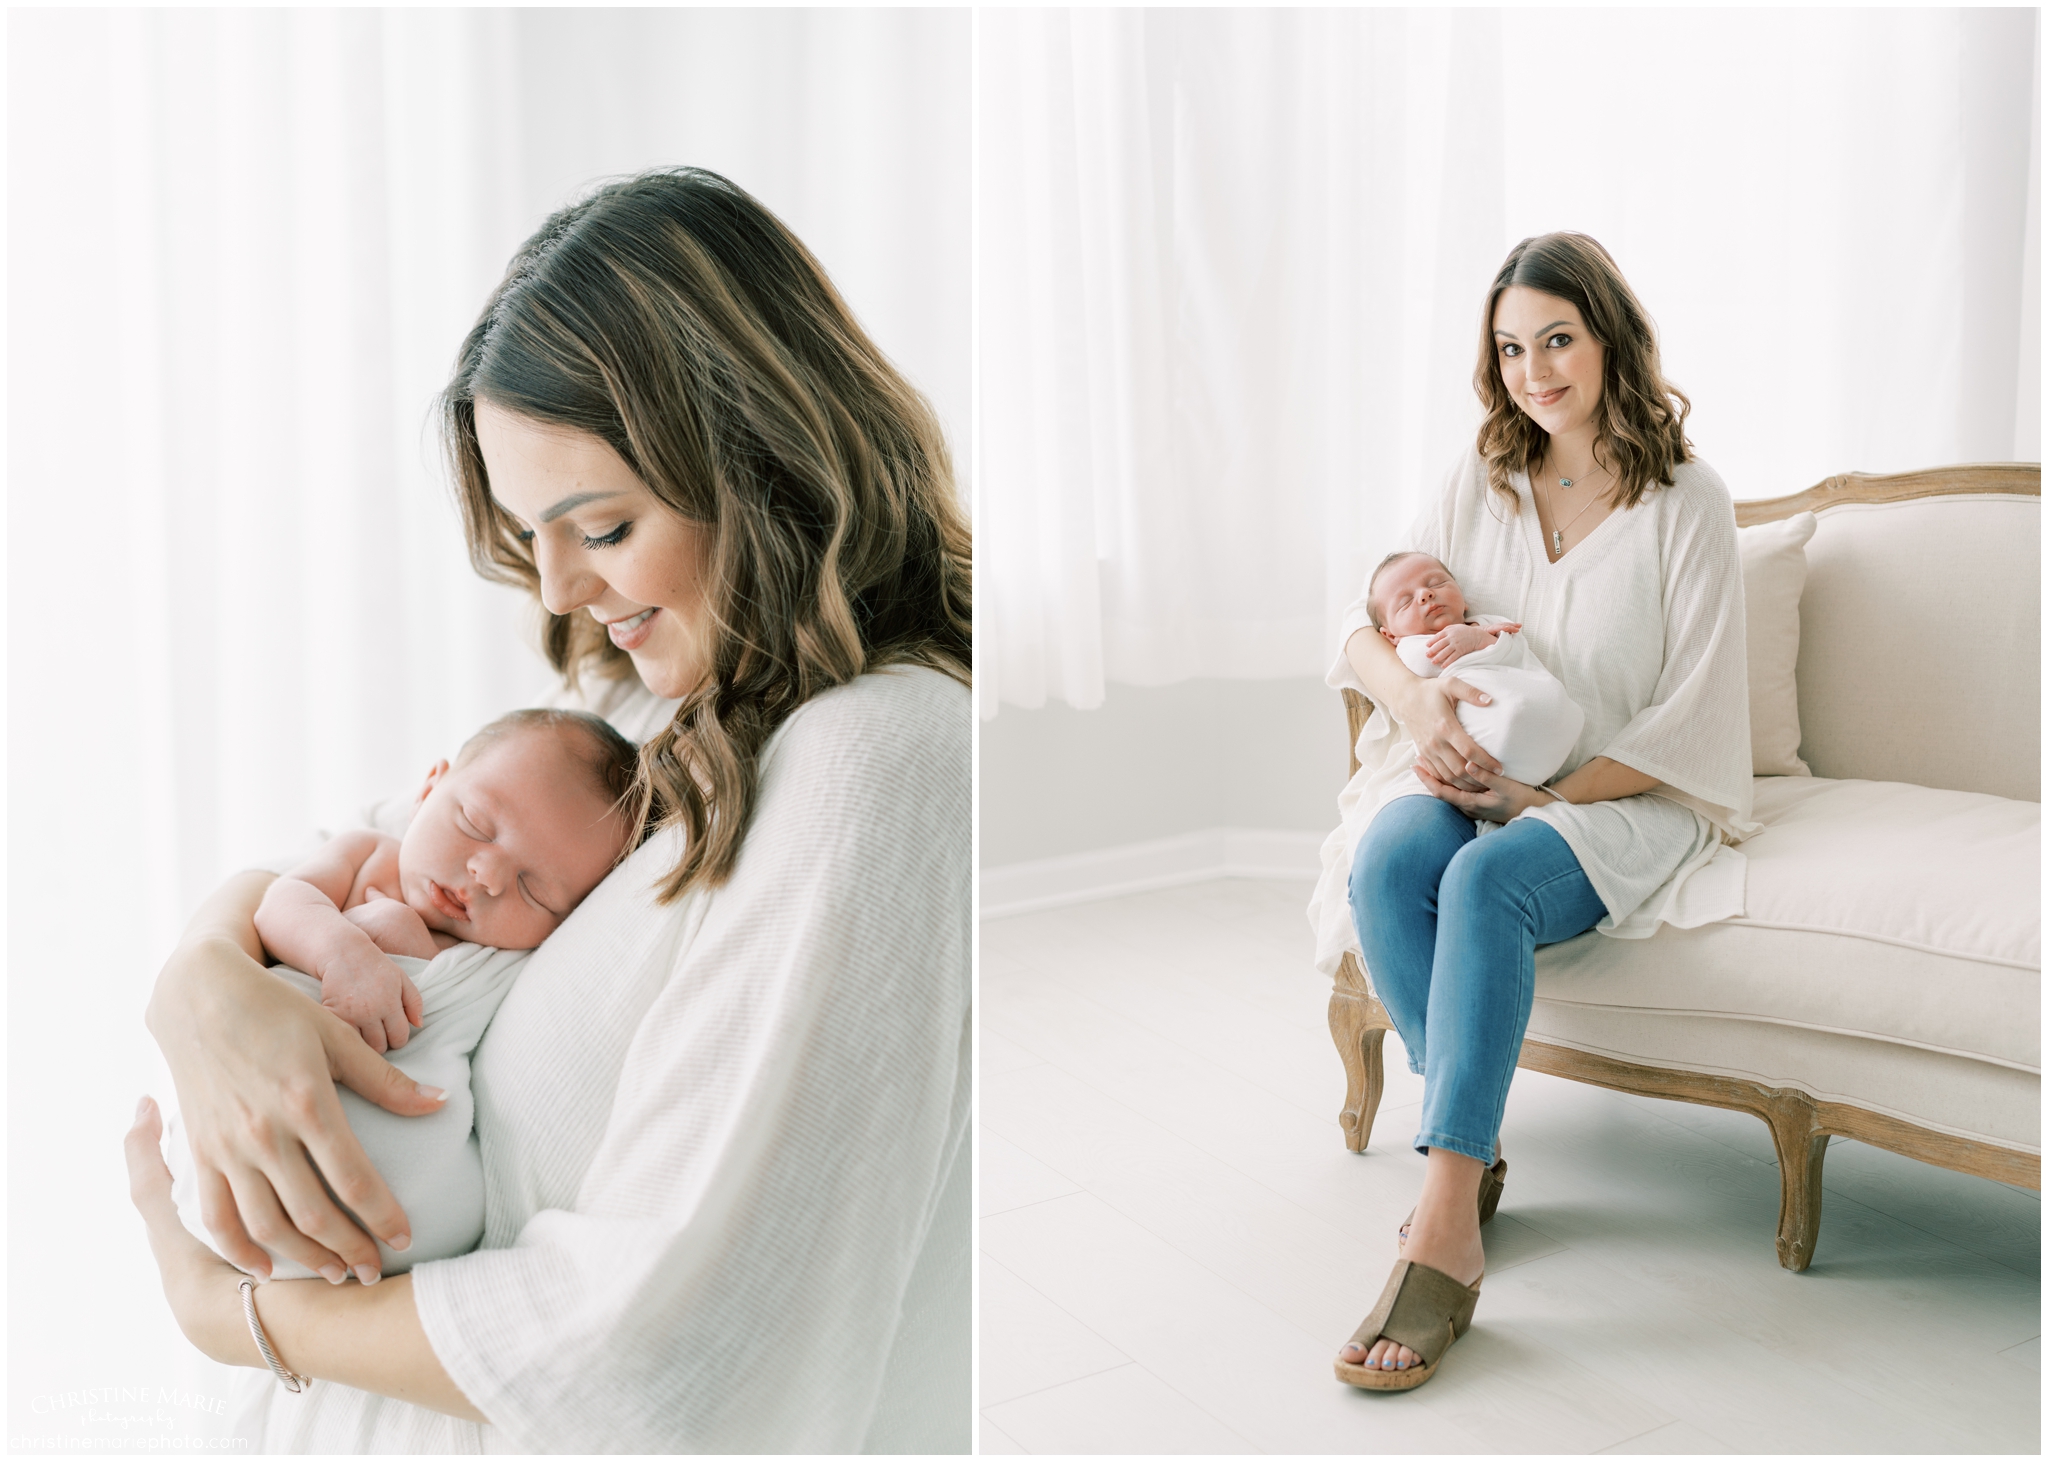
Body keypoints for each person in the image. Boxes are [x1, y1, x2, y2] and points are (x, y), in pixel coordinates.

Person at [124, 167, 972, 1452]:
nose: (565, 589)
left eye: (606, 528)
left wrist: (229, 1313)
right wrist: (197, 980)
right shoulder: (641, 706)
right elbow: (361, 857)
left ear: (764, 468)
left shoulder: (874, 762)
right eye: (534, 537)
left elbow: (657, 1347)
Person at [1305, 232, 1753, 1390]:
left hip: (1621, 799)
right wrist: (1417, 708)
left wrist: (1535, 797)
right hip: (1476, 778)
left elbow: (1692, 720)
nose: (1533, 370)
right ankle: (1479, 1147)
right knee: (1393, 849)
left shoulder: (1684, 503)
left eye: (1556, 339)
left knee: (1481, 877)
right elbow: (1356, 627)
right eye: (1510, 347)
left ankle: (1444, 1223)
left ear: (1609, 338)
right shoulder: (1479, 478)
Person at [163, 709, 640, 1286]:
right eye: (476, 822)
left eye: (534, 889)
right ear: (428, 788)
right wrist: (341, 948)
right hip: (261, 1112)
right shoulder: (369, 855)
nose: (486, 873)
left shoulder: (512, 960)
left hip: (412, 1223)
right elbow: (278, 905)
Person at [1363, 550, 1583, 792]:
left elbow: (1517, 650)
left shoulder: (1488, 622)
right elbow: (1427, 662)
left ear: (1463, 598)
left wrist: (1479, 638)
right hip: (1483, 748)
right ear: (1391, 635)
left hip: (1547, 725)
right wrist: (1478, 640)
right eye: (1405, 602)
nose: (1426, 594)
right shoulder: (1409, 647)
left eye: (1437, 583)